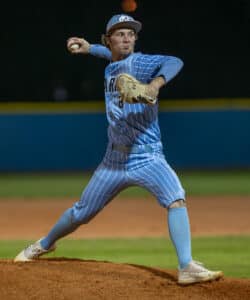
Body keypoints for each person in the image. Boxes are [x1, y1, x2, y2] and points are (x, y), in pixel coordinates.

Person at [15, 14, 223, 285]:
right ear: (108, 40)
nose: (126, 38)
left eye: (131, 33)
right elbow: (110, 56)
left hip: (147, 156)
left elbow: (174, 62)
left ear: (136, 39)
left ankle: (186, 266)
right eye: (120, 33)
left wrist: (154, 85)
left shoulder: (140, 62)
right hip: (113, 160)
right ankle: (43, 244)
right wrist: (90, 48)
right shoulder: (112, 65)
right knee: (81, 212)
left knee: (176, 198)